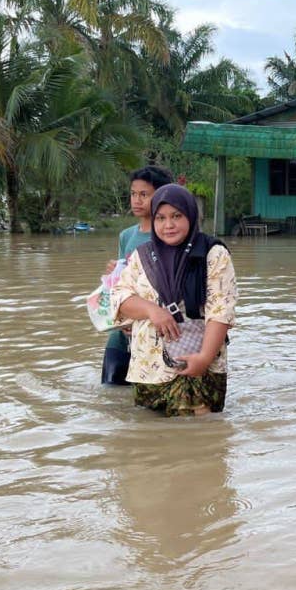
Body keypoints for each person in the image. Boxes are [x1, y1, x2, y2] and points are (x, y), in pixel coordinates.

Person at [110, 183, 237, 416]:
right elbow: (119, 297)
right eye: (160, 218)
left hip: (196, 365)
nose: (168, 225)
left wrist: (204, 358)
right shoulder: (143, 255)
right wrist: (152, 311)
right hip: (147, 369)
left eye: (176, 216)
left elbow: (221, 310)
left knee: (200, 435)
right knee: (151, 442)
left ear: (190, 215)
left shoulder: (213, 254)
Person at [102, 165, 173, 385]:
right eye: (133, 194)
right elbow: (121, 286)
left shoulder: (169, 235)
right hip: (120, 333)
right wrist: (114, 272)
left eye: (144, 194)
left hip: (150, 333)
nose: (137, 200)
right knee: (111, 392)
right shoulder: (126, 236)